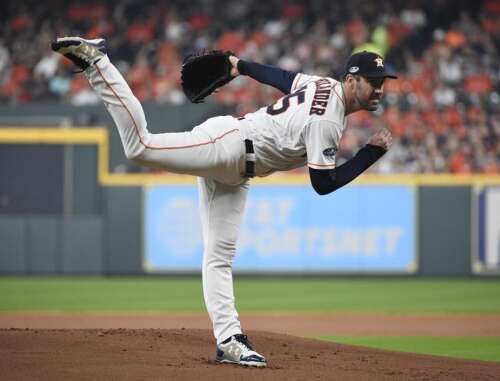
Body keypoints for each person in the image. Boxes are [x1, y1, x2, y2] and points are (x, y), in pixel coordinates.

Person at [52, 37, 397, 368]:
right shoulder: (329, 118)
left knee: (219, 257)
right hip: (229, 144)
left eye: (383, 81)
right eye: (373, 81)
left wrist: (240, 65)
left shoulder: (321, 84)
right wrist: (370, 153)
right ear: (351, 80)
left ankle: (229, 340)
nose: (380, 88)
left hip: (238, 169)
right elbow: (323, 183)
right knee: (140, 147)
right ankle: (99, 62)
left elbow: (284, 78)